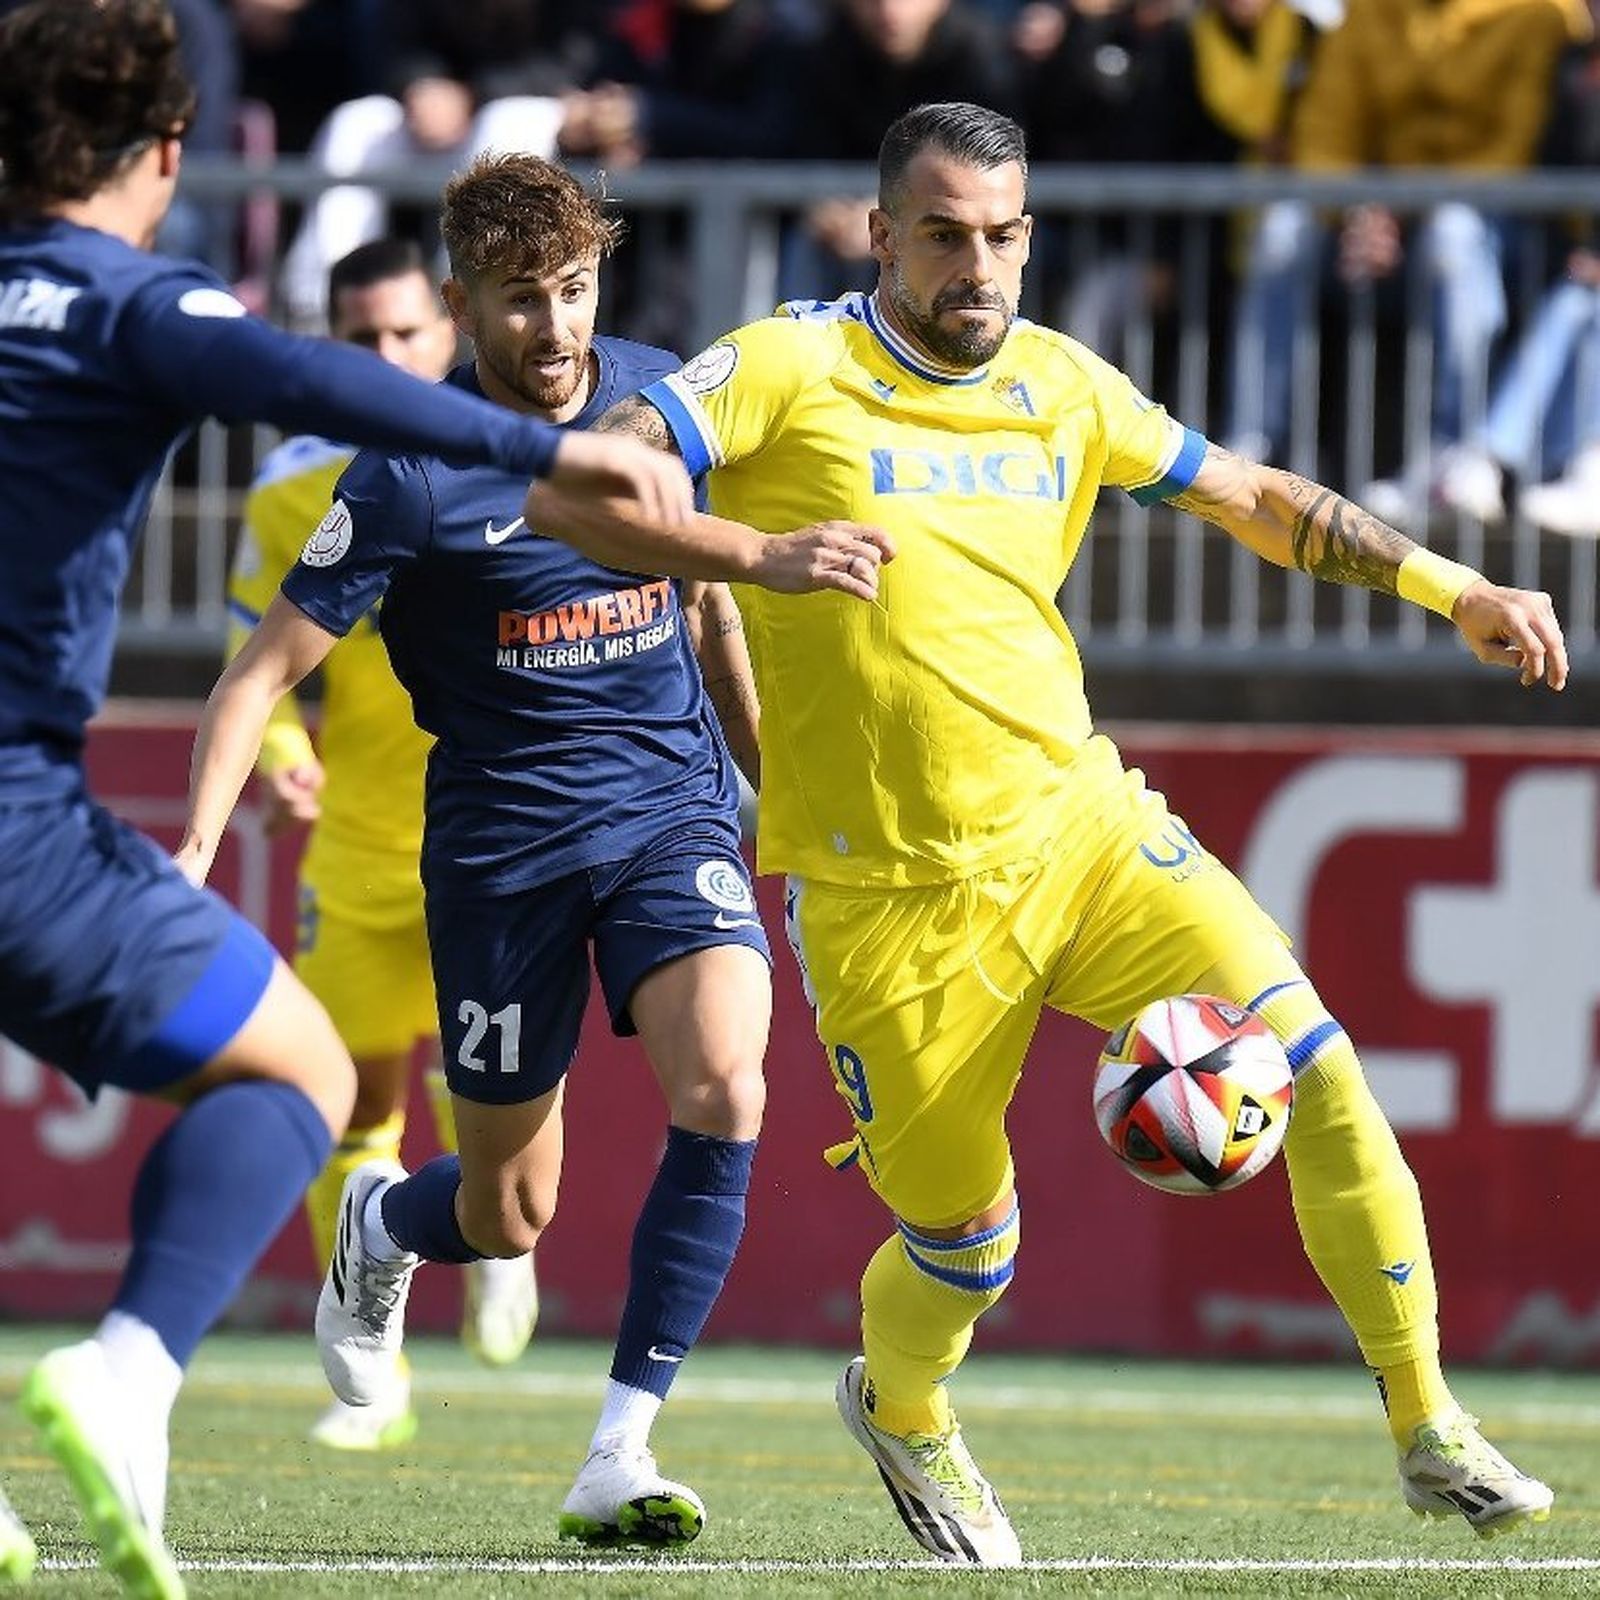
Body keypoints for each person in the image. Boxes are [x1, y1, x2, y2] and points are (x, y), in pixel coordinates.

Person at [526, 101, 1568, 1566]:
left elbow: (1257, 497)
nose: (977, 267)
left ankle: (1428, 1420)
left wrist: (1454, 589)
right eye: (943, 235)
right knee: (969, 1245)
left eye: (1002, 235)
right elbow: (588, 483)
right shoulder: (784, 366)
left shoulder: (1064, 388)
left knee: (1316, 1071)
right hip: (888, 898)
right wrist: (752, 555)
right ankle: (901, 1402)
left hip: (1083, 830)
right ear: (881, 232)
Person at [0, 1, 691, 1592]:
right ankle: (128, 1372)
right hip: (28, 820)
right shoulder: (130, 300)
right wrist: (542, 450)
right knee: (299, 1082)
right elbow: (318, 388)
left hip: (513, 834)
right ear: (169, 155)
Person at [179, 152, 891, 1546]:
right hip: (502, 845)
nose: (556, 329)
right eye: (519, 301)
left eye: (573, 290)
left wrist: (773, 803)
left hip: (667, 811)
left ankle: (620, 1449)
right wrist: (195, 850)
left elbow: (705, 609)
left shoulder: (657, 390)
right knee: (510, 1213)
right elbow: (259, 674)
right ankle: (383, 1228)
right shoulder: (404, 468)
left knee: (730, 1081)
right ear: (459, 305)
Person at [226, 236, 539, 1455]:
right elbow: (256, 655)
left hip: (500, 830)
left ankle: (501, 1237)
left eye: (406, 334)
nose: (386, 357)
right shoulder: (289, 485)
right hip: (358, 842)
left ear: (448, 324)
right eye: (360, 339)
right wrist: (276, 750)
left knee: (488, 1081)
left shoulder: (516, 448)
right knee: (354, 1092)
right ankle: (380, 1369)